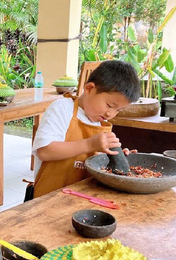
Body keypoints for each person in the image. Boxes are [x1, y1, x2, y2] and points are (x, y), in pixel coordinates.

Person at [30, 60, 141, 199]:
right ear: (89, 89)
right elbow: (44, 151)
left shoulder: (101, 123)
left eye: (118, 110)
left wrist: (117, 158)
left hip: (83, 198)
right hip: (49, 198)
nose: (110, 114)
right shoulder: (62, 109)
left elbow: (98, 162)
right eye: (109, 105)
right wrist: (90, 144)